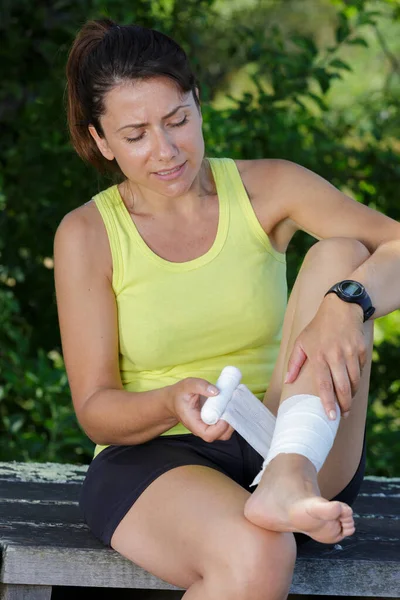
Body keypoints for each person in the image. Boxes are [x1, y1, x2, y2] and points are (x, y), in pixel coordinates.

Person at [54, 17, 400, 600]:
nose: (166, 151)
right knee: (259, 551)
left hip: (298, 435)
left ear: (198, 102)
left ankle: (287, 475)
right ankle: (276, 493)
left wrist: (348, 304)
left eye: (178, 120)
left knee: (344, 256)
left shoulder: (271, 188)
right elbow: (95, 409)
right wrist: (168, 401)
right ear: (100, 141)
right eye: (136, 135)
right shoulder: (87, 234)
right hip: (159, 457)